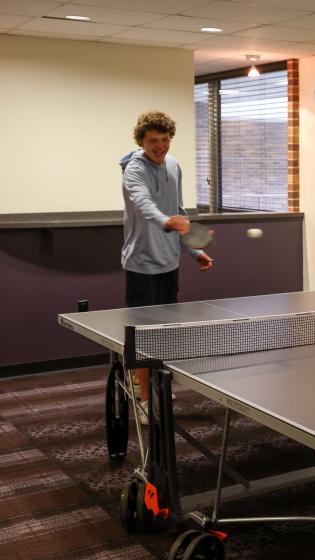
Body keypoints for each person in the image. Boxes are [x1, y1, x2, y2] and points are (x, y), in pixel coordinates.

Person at [121, 110, 213, 405]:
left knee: (164, 332)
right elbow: (142, 203)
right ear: (141, 141)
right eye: (152, 141)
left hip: (169, 262)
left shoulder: (173, 165)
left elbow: (181, 211)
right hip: (141, 263)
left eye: (164, 139)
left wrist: (195, 250)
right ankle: (147, 399)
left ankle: (150, 381)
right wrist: (165, 221)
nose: (159, 146)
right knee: (144, 335)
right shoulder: (134, 170)